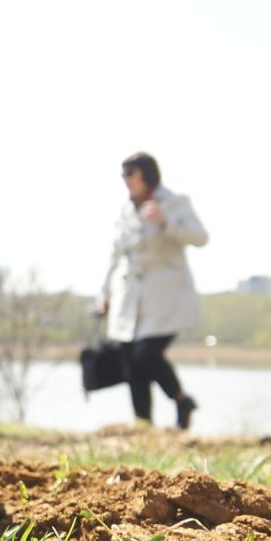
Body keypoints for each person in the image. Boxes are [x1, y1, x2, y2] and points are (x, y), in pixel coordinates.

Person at [98, 152, 207, 430]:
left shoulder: (174, 203)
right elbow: (115, 255)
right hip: (129, 295)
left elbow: (200, 237)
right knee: (130, 360)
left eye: (130, 174)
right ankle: (143, 422)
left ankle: (180, 399)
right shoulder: (125, 211)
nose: (125, 181)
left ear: (146, 175)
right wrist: (104, 294)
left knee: (145, 355)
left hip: (165, 297)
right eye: (123, 175)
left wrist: (166, 221)